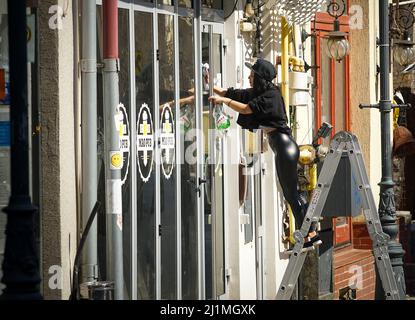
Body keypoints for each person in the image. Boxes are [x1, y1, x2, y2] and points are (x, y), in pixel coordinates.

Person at [209, 58, 321, 249]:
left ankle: (310, 233)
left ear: (260, 77)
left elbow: (245, 108)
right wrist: (210, 86)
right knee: (291, 193)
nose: (249, 77)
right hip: (283, 147)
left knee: (291, 194)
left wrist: (223, 101)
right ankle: (311, 232)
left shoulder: (271, 96)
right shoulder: (262, 92)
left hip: (285, 148)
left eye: (252, 75)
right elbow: (235, 94)